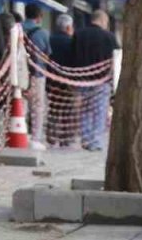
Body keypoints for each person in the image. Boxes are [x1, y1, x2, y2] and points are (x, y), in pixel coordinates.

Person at [70, 10, 118, 151]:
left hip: (82, 79)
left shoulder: (79, 35)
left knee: (84, 110)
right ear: (103, 21)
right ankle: (95, 141)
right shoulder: (109, 37)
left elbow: (72, 56)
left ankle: (86, 139)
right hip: (101, 80)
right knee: (99, 112)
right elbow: (115, 60)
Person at [22, 4, 51, 150]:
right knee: (38, 107)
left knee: (21, 105)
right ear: (39, 17)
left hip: (19, 73)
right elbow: (47, 55)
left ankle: (20, 134)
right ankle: (35, 139)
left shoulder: (17, 28)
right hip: (37, 74)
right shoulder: (43, 33)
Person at [48, 14, 76, 147]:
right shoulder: (72, 41)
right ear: (69, 27)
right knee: (67, 108)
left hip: (52, 79)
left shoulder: (50, 39)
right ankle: (66, 137)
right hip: (68, 80)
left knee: (54, 107)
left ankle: (51, 136)